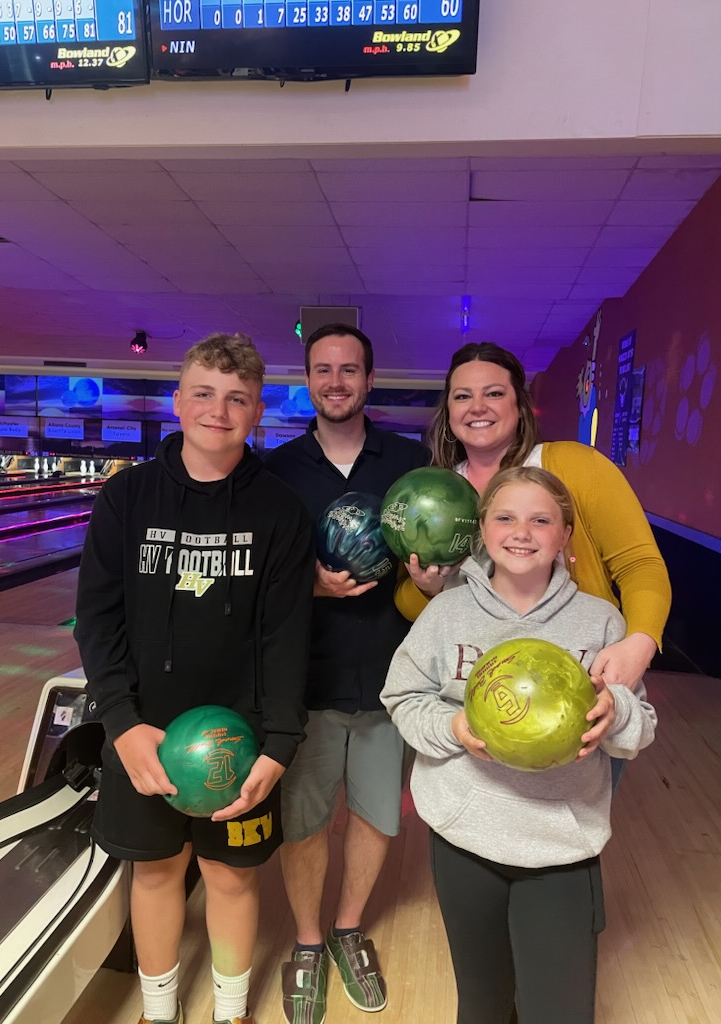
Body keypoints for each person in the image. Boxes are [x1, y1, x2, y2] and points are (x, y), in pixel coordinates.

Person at [74, 333, 314, 1024]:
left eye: (237, 398)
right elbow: (98, 619)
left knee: (233, 875)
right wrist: (119, 723)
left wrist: (279, 743)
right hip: (142, 731)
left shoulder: (279, 512)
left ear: (257, 411)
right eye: (203, 393)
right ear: (178, 401)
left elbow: (286, 635)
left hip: (239, 737)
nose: (219, 409)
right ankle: (157, 1011)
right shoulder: (127, 499)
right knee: (153, 871)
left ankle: (231, 1011)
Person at [381, 466, 657, 1024]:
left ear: (564, 537)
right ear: (482, 530)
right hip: (464, 840)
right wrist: (453, 730)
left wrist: (616, 714)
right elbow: (403, 696)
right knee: (481, 1004)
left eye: (541, 520)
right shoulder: (446, 612)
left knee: (557, 1010)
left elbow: (641, 726)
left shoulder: (602, 623)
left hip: (560, 847)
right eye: (505, 517)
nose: (521, 531)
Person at [264, 323, 430, 1024]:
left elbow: (436, 557)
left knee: (375, 817)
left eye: (349, 369)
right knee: (302, 822)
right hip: (302, 679)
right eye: (323, 369)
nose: (336, 381)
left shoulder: (409, 461)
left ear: (369, 379)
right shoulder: (274, 470)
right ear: (309, 380)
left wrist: (433, 574)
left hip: (391, 677)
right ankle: (307, 942)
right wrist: (311, 585)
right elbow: (258, 576)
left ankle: (347, 928)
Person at [396, 341, 671, 693]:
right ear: (448, 414)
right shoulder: (434, 495)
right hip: (470, 688)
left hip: (577, 683)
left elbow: (639, 564)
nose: (478, 406)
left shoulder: (574, 466)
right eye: (463, 396)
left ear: (519, 407)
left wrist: (639, 644)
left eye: (494, 393)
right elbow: (405, 602)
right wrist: (427, 588)